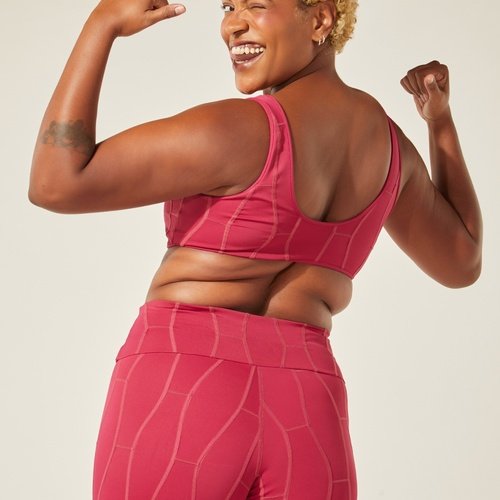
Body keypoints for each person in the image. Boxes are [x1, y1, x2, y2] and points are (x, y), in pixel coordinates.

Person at [28, 0, 483, 498]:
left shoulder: (235, 129)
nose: (233, 24)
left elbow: (56, 183)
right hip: (308, 407)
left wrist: (102, 24)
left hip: (185, 386)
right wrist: (439, 123)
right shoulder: (390, 151)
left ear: (320, 20)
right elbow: (461, 262)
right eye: (228, 6)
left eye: (257, 5)